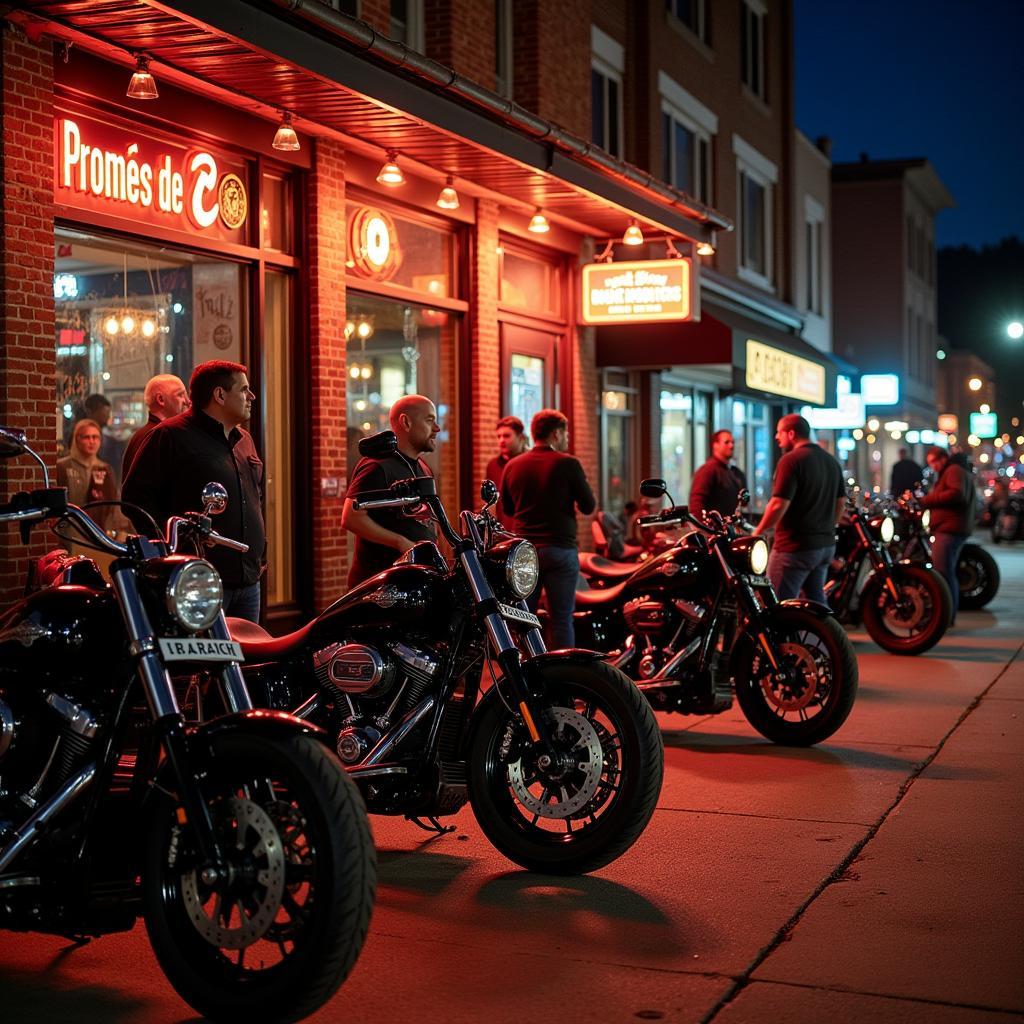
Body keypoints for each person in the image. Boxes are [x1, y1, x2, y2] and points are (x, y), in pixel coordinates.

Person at [122, 360, 266, 623]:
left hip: (248, 581)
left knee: (245, 663)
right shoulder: (169, 435)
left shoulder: (244, 440)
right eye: (244, 390)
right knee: (202, 662)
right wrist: (171, 546)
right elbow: (135, 500)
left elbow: (255, 497)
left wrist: (260, 551)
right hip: (196, 583)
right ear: (219, 395)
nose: (251, 396)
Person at [501, 409, 596, 648]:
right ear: (556, 434)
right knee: (562, 619)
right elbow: (588, 506)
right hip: (560, 550)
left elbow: (509, 510)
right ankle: (564, 675)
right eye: (566, 433)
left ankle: (524, 674)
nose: (568, 438)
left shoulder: (513, 466)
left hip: (526, 553)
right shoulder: (569, 464)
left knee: (524, 619)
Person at [342, 394, 440, 588]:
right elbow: (351, 517)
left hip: (415, 581)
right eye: (429, 420)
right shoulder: (377, 465)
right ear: (406, 422)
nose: (437, 428)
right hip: (382, 588)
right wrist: (400, 542)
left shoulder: (423, 466)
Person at [753, 414, 846, 604]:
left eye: (779, 433)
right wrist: (828, 527)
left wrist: (759, 532)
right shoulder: (831, 461)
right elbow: (841, 502)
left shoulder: (791, 461)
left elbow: (779, 503)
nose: (776, 438)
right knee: (816, 602)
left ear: (791, 433)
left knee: (776, 605)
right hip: (824, 547)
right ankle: (824, 633)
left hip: (794, 549)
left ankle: (780, 635)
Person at [919, 445, 976, 621]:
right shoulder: (956, 469)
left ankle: (945, 615)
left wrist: (928, 499)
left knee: (943, 573)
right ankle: (947, 614)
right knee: (946, 572)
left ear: (942, 458)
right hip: (952, 527)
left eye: (933, 462)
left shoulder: (953, 470)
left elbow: (956, 494)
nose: (933, 467)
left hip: (949, 528)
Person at [57, 418, 121, 534]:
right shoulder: (62, 466)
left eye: (95, 437)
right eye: (87, 437)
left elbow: (114, 505)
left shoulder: (105, 468)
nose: (92, 441)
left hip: (98, 533)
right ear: (77, 439)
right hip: (70, 531)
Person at [122, 374, 190, 477]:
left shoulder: (142, 435)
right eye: (180, 395)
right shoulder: (159, 436)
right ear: (160, 399)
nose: (187, 401)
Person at [689, 429, 748, 521]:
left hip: (729, 530)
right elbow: (696, 503)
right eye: (726, 442)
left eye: (732, 442)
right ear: (715, 445)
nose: (731, 445)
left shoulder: (735, 472)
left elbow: (743, 502)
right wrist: (704, 529)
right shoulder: (708, 470)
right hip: (714, 531)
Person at [485, 415, 527, 529]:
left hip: (527, 530)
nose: (502, 440)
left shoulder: (529, 463)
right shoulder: (493, 465)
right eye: (499, 436)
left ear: (520, 437)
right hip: (503, 530)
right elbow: (490, 502)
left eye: (507, 436)